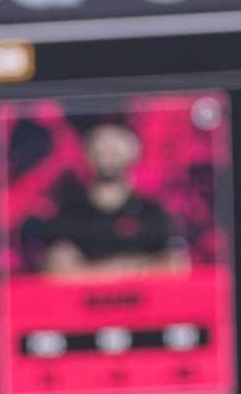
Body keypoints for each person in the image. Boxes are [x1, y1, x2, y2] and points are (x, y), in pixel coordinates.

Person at [29, 118, 187, 278]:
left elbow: (175, 264)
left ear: (135, 151)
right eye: (98, 142)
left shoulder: (153, 213)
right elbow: (57, 270)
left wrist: (89, 271)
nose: (106, 150)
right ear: (86, 152)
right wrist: (139, 267)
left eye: (116, 143)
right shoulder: (67, 215)